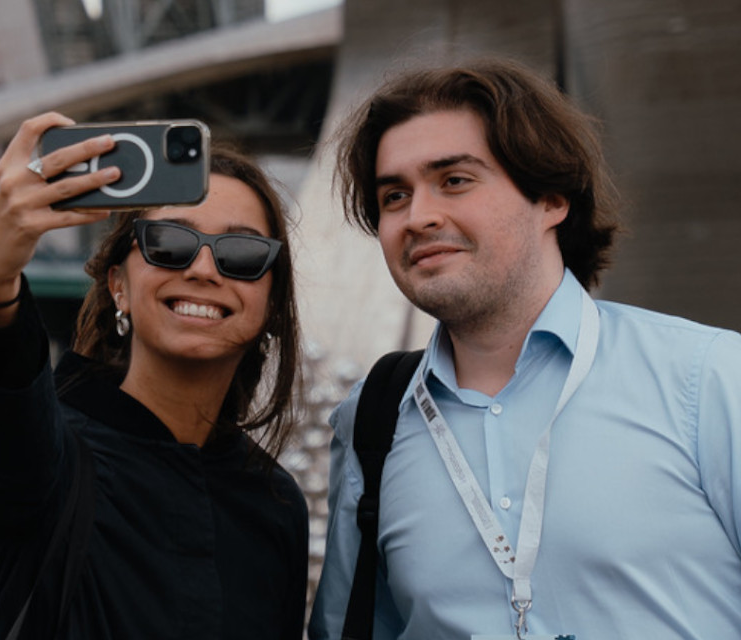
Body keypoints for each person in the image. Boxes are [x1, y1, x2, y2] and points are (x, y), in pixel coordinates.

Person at [309, 57, 741, 639]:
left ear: (552, 198)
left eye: (454, 180)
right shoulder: (371, 421)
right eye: (393, 196)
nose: (419, 216)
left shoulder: (708, 378)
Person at [0, 112, 309, 640]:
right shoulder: (47, 460)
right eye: (168, 243)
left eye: (243, 253)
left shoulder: (274, 504)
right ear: (118, 287)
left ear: (272, 304)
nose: (204, 270)